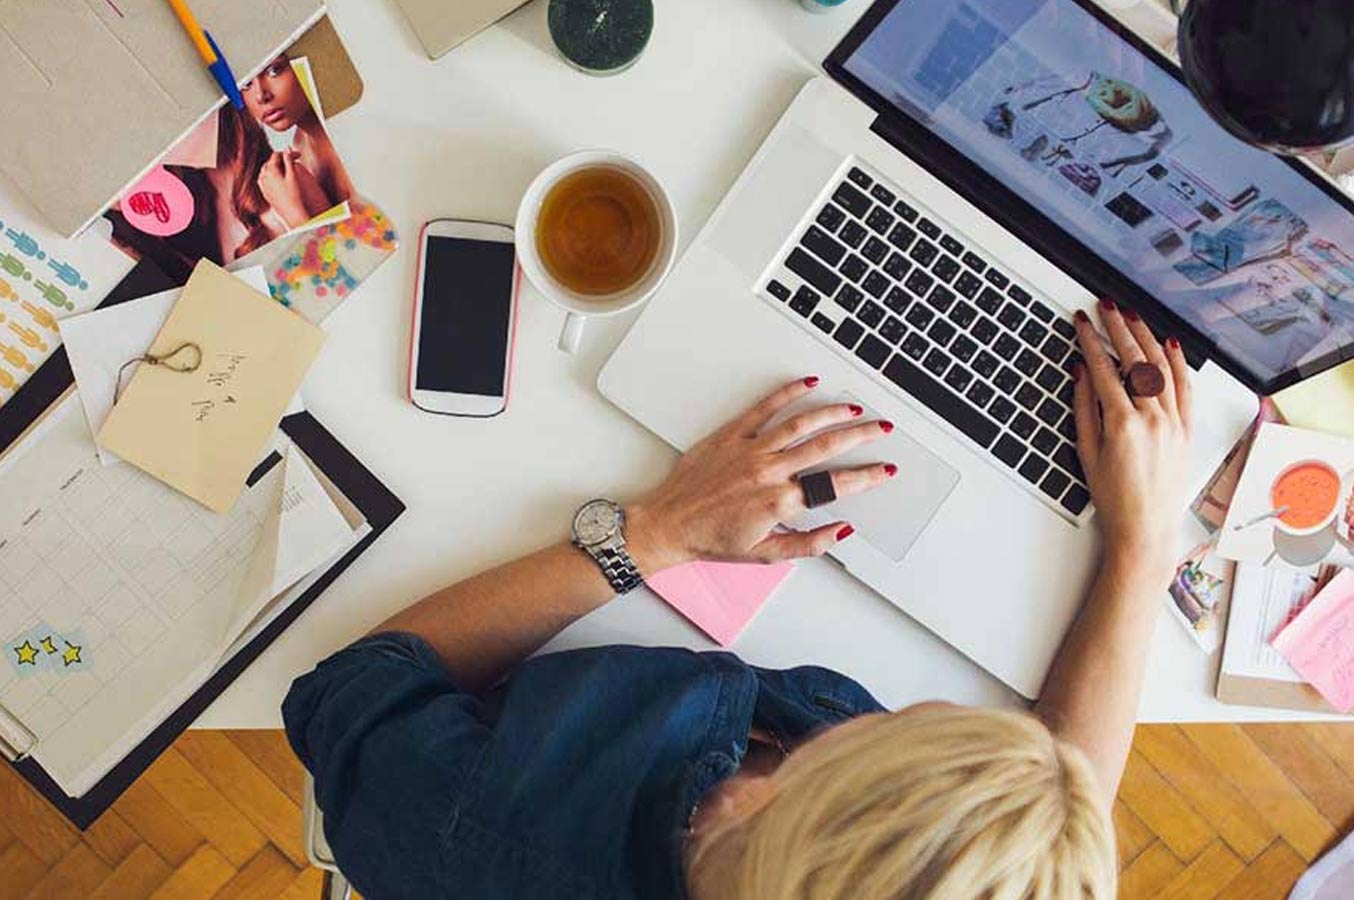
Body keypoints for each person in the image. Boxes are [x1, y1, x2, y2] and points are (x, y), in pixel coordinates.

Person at [284, 304, 1194, 899]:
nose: (900, 708)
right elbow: (1053, 792)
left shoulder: (469, 830)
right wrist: (1145, 543)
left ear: (759, 804)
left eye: (898, 728)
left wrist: (649, 534)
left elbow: (350, 687)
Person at [242, 54, 355, 227]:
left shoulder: (352, 139)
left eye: (275, 71)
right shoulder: (297, 153)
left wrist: (292, 213)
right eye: (246, 83)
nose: (260, 96)